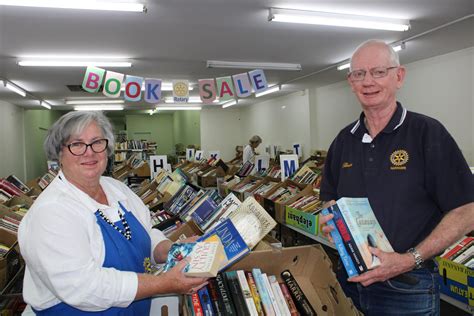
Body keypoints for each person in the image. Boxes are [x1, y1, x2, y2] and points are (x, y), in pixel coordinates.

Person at [319, 39, 474, 315]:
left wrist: (408, 260)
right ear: (350, 82)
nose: (368, 82)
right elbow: (329, 200)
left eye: (379, 72)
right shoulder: (343, 141)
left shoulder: (427, 133)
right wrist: (329, 222)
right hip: (350, 282)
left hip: (408, 285)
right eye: (359, 74)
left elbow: (467, 209)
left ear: (399, 76)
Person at [18, 111, 207, 315]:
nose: (89, 153)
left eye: (97, 142)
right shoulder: (51, 212)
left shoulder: (117, 189)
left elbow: (146, 233)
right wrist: (164, 283)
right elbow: (85, 288)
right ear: (59, 154)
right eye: (77, 144)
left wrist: (171, 249)